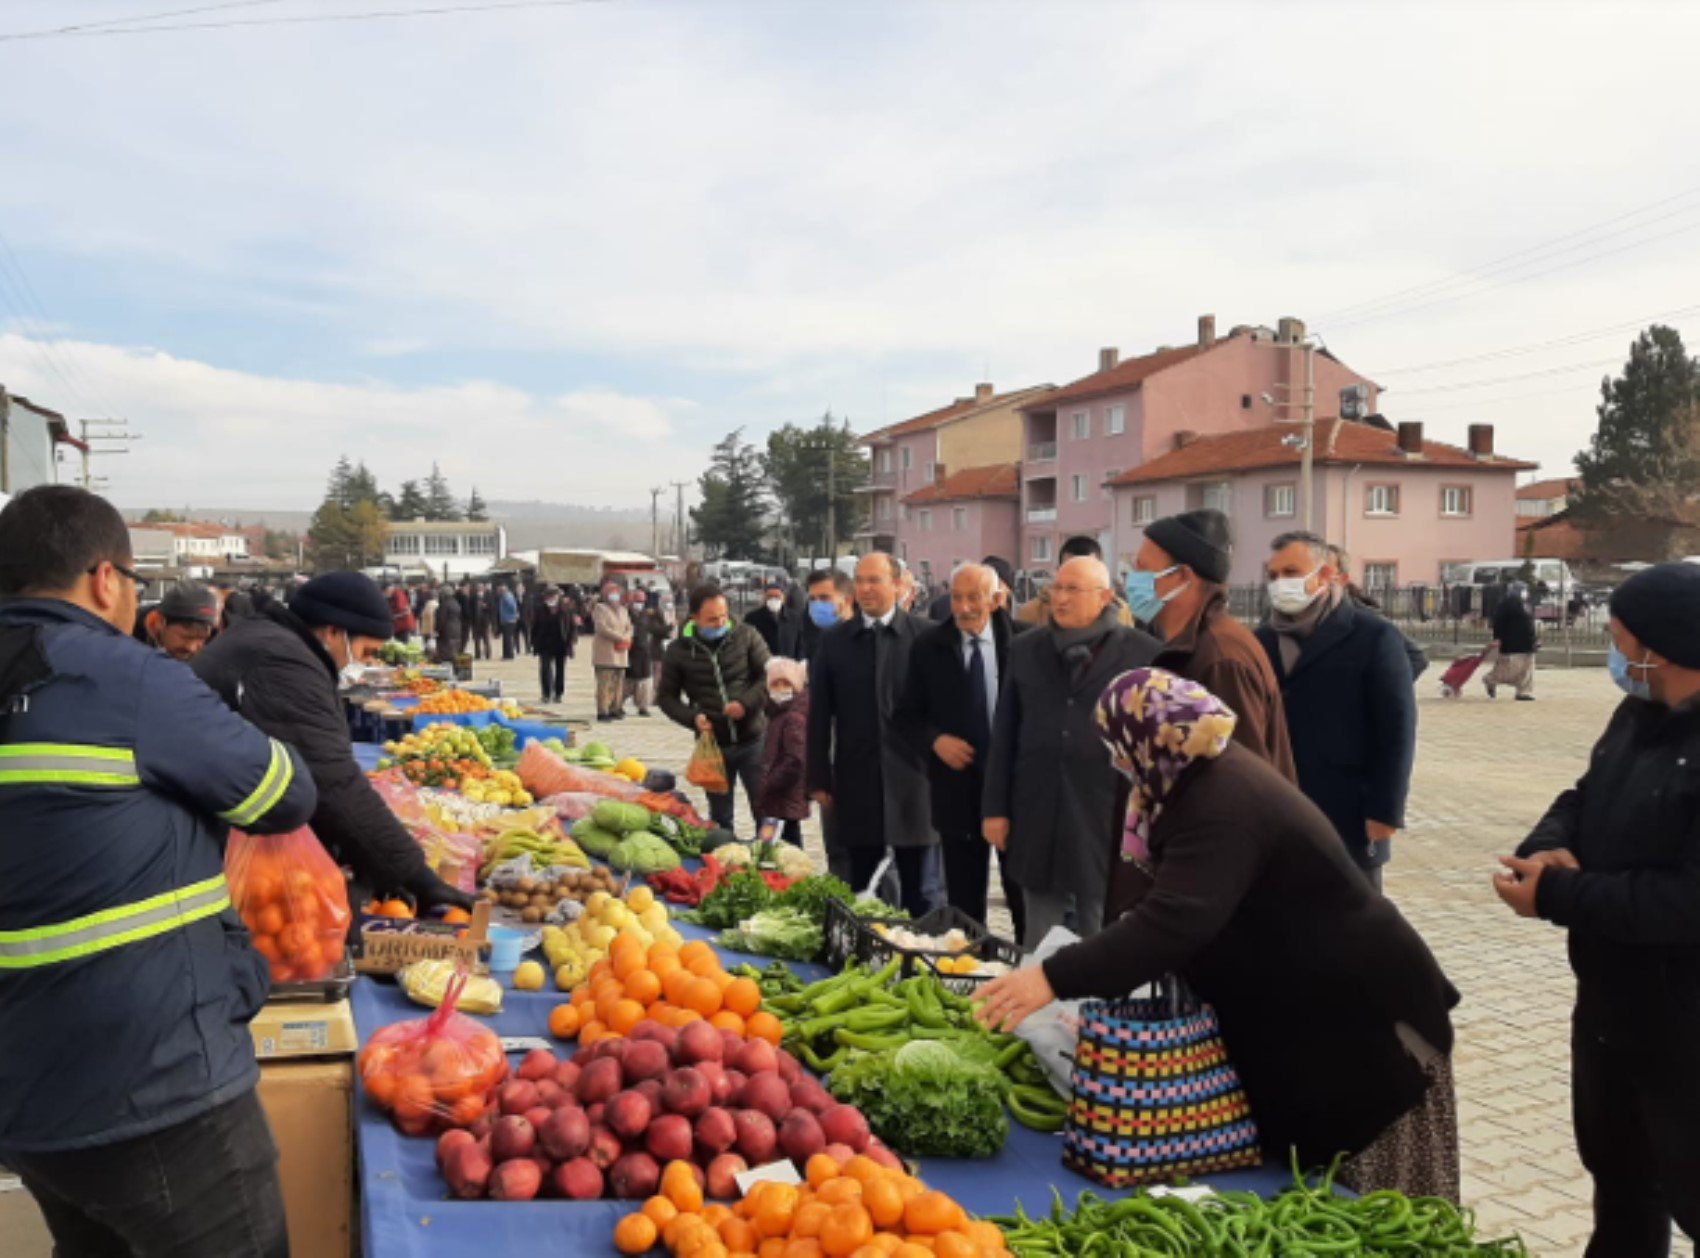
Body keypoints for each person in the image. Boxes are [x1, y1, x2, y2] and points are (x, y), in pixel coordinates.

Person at [976, 668, 1460, 1201]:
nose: (1115, 761)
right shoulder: (1188, 780)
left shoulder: (1223, 801)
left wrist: (1052, 977)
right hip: (1311, 1015)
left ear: (1150, 738)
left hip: (1367, 1028)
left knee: (1377, 1207)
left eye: (1117, 746)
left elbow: (1173, 921)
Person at [0, 486, 318, 1257]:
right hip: (153, 1082)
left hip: (25, 1092)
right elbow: (286, 794)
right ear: (104, 579)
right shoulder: (126, 679)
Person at [1496, 562, 1700, 1254]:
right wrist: (1548, 846)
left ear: (1663, 649)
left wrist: (1555, 896)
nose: (1614, 652)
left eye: (1619, 638)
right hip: (1613, 1008)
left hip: (1686, 1026)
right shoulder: (1639, 710)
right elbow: (1584, 795)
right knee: (1621, 1186)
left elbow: (1685, 903)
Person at [193, 572, 473, 911]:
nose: (367, 663)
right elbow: (332, 780)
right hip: (207, 842)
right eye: (367, 652)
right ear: (334, 632)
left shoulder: (272, 641)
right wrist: (417, 876)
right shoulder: (284, 662)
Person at [983, 555, 1158, 945]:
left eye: (1072, 590)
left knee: (1102, 922)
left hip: (1105, 809)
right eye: (1055, 589)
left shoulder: (1142, 653)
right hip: (1038, 804)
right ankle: (1037, 995)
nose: (1060, 598)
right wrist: (995, 808)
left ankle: (1098, 1000)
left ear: (1104, 597)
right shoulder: (1027, 648)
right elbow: (1005, 731)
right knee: (1038, 926)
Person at [1256, 533, 1417, 891]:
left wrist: (1385, 811)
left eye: (1291, 571)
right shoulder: (1261, 640)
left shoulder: (1373, 636)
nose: (1281, 583)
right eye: (1273, 575)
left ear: (1326, 574)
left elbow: (1397, 729)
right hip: (1278, 805)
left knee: (1354, 925)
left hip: (1349, 811)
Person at [897, 562, 1028, 937]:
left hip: (1013, 790)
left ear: (995, 599)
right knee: (965, 903)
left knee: (1021, 894)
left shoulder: (1023, 643)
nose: (965, 607)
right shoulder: (929, 647)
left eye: (974, 597)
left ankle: (1027, 975)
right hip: (957, 788)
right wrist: (935, 741)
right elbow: (906, 716)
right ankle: (972, 974)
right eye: (957, 598)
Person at [808, 552, 938, 916]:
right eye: (859, 580)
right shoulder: (835, 641)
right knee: (861, 887)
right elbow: (819, 715)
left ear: (898, 585)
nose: (864, 588)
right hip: (857, 778)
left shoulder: (925, 638)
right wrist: (818, 777)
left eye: (874, 580)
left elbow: (943, 712)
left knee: (922, 890)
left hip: (916, 781)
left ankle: (922, 961)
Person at [1126, 510, 1296, 780]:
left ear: (1182, 577)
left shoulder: (1221, 656)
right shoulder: (1188, 645)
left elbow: (1244, 778)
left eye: (1142, 569)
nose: (1131, 580)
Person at [658, 583, 771, 834]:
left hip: (753, 739)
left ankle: (768, 862)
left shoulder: (747, 635)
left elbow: (768, 677)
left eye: (723, 616)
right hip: (713, 747)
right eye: (711, 619)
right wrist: (693, 718)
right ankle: (728, 865)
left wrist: (745, 704)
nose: (720, 623)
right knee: (720, 818)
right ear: (694, 618)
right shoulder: (679, 651)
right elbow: (666, 698)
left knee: (765, 809)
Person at [1329, 545, 1429, 681]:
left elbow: (1416, 658)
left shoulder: (1364, 617)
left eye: (1324, 571)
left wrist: (1379, 692)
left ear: (1342, 578)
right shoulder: (1302, 619)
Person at [1015, 535, 1136, 628]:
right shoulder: (1033, 612)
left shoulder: (1120, 610)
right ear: (1058, 570)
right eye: (1070, 568)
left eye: (1086, 568)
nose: (1078, 575)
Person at [754, 655, 810, 845]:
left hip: (785, 792)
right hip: (777, 794)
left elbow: (795, 759)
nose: (780, 689)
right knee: (781, 840)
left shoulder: (793, 717)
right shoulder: (776, 714)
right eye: (775, 684)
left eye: (786, 683)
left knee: (788, 840)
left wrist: (772, 782)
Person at [133, 580, 220, 662]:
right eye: (186, 637)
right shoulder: (128, 632)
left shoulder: (215, 641)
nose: (191, 648)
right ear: (159, 622)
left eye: (202, 639)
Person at [782, 567, 852, 663]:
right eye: (812, 599)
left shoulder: (867, 639)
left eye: (824, 598)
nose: (817, 604)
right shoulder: (807, 627)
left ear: (847, 600)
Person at [1485, 581, 1538, 701]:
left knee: (1527, 667)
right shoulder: (1506, 604)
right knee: (1510, 668)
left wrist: (1534, 640)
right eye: (1523, 590)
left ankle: (1523, 691)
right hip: (1512, 642)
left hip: (1526, 642)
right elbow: (1498, 622)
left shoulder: (1524, 604)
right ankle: (1491, 680)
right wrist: (1498, 638)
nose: (1525, 593)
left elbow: (1528, 624)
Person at [592, 581, 633, 722]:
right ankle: (603, 711)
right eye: (611, 593)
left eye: (616, 593)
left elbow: (629, 626)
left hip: (621, 652)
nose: (615, 596)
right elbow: (602, 628)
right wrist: (619, 637)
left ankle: (615, 708)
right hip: (605, 653)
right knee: (605, 684)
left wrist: (627, 636)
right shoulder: (600, 609)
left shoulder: (623, 610)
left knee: (618, 683)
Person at [622, 588, 661, 717]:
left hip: (644, 652)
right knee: (627, 681)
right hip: (629, 651)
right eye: (637, 601)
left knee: (645, 681)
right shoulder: (625, 614)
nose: (639, 603)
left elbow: (656, 629)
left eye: (642, 601)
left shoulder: (647, 615)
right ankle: (616, 704)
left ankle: (643, 706)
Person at [533, 585, 574, 703]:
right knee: (545, 669)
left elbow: (571, 627)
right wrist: (534, 643)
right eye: (549, 596)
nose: (551, 598)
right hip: (544, 644)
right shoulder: (540, 609)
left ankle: (558, 693)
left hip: (561, 644)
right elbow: (535, 627)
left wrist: (570, 643)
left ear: (558, 596)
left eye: (553, 596)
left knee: (560, 670)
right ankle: (546, 693)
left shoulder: (565, 609)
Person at [744, 579, 787, 654]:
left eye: (777, 596)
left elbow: (800, 644)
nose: (773, 600)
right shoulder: (752, 618)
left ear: (784, 598)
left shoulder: (795, 618)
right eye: (769, 597)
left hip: (788, 663)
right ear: (764, 598)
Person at [434, 582, 463, 666]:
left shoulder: (444, 605)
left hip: (447, 631)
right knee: (454, 652)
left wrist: (436, 630)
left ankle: (446, 671)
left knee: (445, 654)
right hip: (457, 629)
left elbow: (441, 620)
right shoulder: (456, 603)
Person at [498, 582, 520, 660]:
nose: (499, 590)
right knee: (506, 639)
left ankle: (509, 655)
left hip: (509, 620)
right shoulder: (504, 596)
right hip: (506, 620)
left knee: (508, 639)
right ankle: (506, 654)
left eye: (500, 588)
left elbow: (513, 606)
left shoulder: (507, 596)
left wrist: (514, 614)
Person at [419, 586, 439, 654]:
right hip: (430, 630)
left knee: (428, 648)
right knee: (431, 649)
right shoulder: (435, 605)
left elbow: (425, 617)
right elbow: (432, 619)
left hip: (426, 630)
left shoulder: (428, 605)